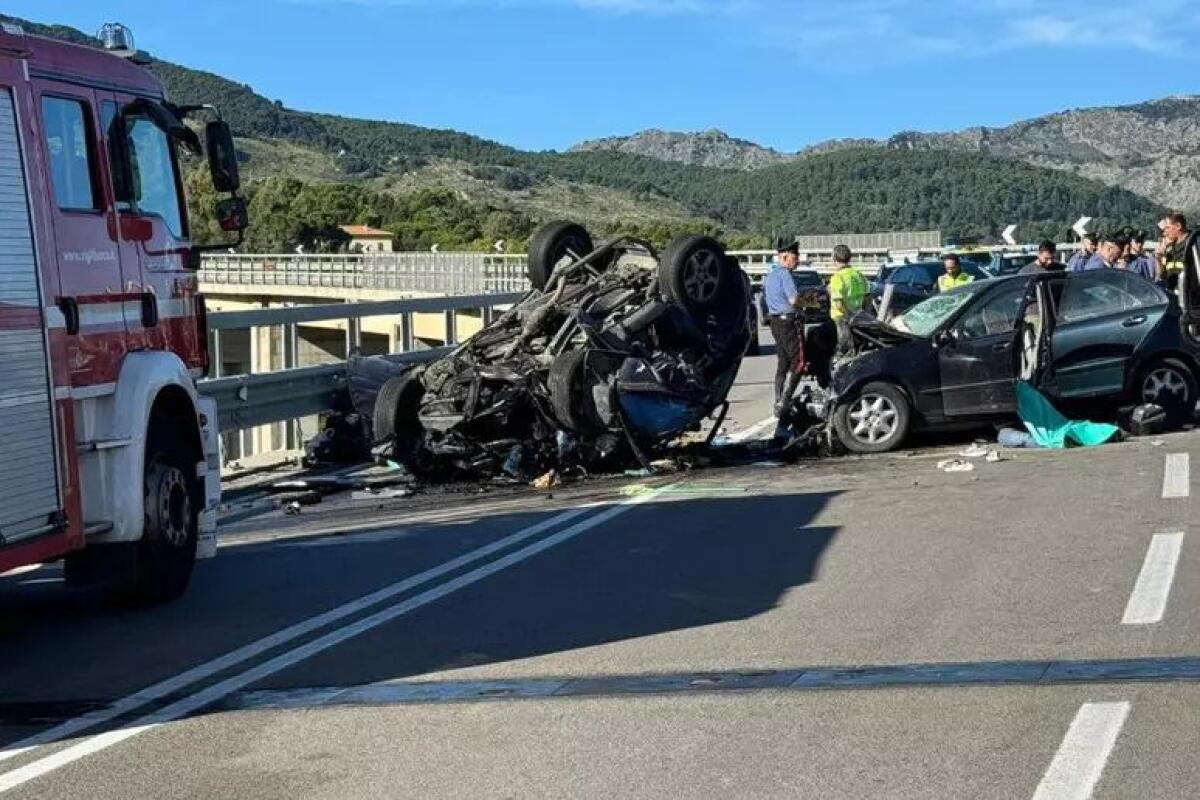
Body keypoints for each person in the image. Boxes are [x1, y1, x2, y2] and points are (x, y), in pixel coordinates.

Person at [763, 236, 805, 408]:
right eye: (795, 258)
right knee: (799, 362)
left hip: (775, 322)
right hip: (789, 323)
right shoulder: (785, 275)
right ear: (784, 257)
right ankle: (786, 398)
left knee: (783, 361)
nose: (797, 262)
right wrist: (808, 302)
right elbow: (794, 299)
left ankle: (778, 398)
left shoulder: (770, 276)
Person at [828, 244, 868, 357]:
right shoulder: (858, 275)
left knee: (842, 350)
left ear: (834, 259)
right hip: (858, 316)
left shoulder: (838, 277)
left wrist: (847, 316)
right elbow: (868, 296)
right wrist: (861, 312)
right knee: (856, 349)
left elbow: (838, 302)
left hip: (841, 318)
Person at [1157, 213, 1189, 292]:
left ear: (1178, 226)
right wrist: (1159, 258)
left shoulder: (1193, 244)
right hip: (1173, 295)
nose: (1165, 232)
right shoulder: (1169, 249)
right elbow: (1163, 275)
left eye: (1167, 228)